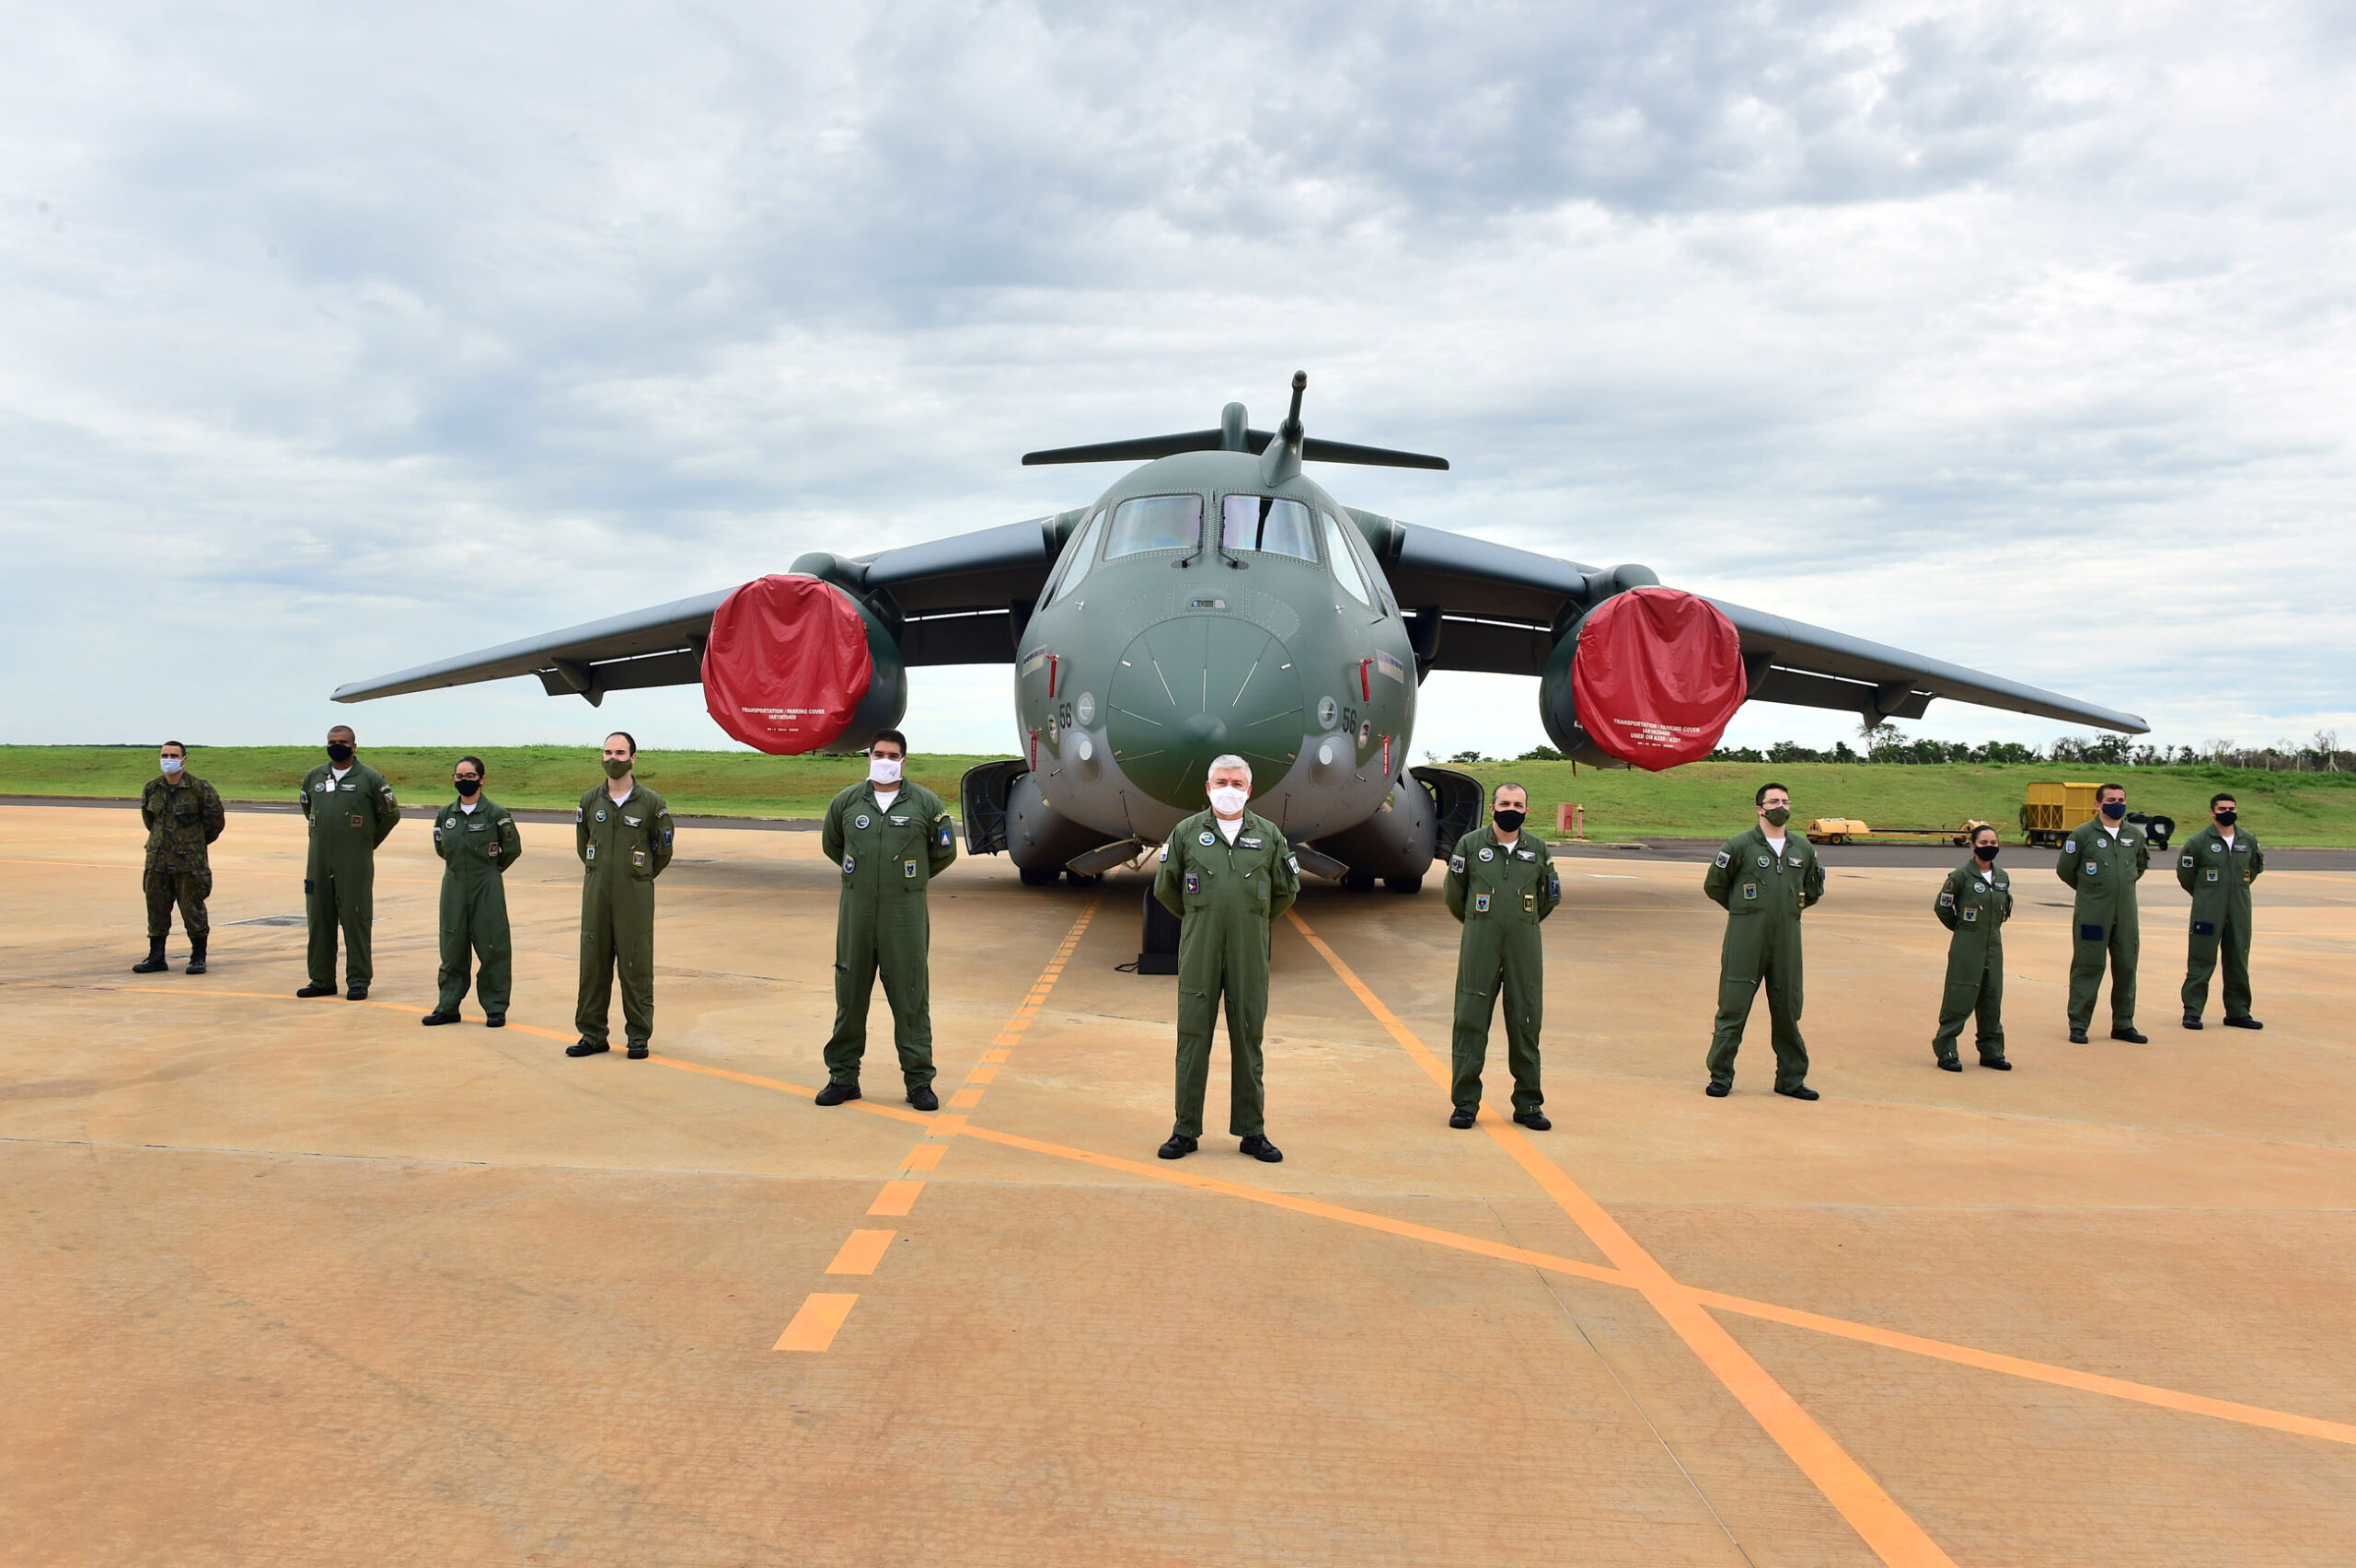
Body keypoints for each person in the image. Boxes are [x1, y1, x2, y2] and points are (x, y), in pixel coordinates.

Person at [1152, 754, 1300, 1161]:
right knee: (1192, 1037)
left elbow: (1287, 891)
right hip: (1200, 946)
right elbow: (1167, 887)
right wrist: (1202, 917)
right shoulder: (1185, 833)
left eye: (1237, 783)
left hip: (1249, 950)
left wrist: (1250, 920)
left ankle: (1253, 1132)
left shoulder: (1268, 835)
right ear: (1208, 787)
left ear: (1249, 790)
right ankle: (1185, 1130)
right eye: (1221, 782)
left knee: (1249, 1038)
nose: (1229, 789)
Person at [816, 730, 959, 1111]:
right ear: (869, 756)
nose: (884, 759)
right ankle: (843, 1077)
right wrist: (863, 876)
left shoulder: (927, 804)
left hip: (905, 915)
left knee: (911, 996)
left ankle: (919, 1082)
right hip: (856, 912)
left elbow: (944, 852)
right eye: (878, 753)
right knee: (849, 994)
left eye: (892, 755)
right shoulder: (846, 802)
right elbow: (833, 844)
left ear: (903, 760)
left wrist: (907, 882)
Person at [1441, 781, 1560, 1129]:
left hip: (1525, 945)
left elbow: (1549, 897)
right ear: (1492, 808)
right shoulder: (1470, 845)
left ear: (1526, 811)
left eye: (1518, 804)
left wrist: (1524, 922)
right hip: (1480, 943)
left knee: (1526, 1020)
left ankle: (1528, 1104)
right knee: (1470, 1019)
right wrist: (1481, 924)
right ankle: (1465, 1103)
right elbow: (1454, 895)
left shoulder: (1537, 850)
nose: (1512, 809)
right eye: (1505, 803)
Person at [1703, 781, 1825, 1100]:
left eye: (1785, 801)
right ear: (1760, 809)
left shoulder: (1803, 849)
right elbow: (1715, 885)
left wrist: (1783, 911)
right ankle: (1721, 1075)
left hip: (1787, 938)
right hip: (1746, 938)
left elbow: (1812, 891)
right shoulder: (1739, 845)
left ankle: (1791, 1078)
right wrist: (1746, 911)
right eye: (1773, 802)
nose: (1780, 806)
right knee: (1733, 1006)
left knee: (1788, 1008)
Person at [567, 732, 675, 1060]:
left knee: (636, 965)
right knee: (593, 966)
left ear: (633, 758)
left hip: (634, 898)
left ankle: (638, 1036)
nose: (612, 759)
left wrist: (637, 877)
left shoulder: (651, 803)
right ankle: (592, 1034)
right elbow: (584, 843)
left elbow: (663, 851)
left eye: (619, 753)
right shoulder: (589, 801)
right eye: (607, 752)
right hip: (596, 895)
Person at [297, 724, 398, 1000]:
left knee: (355, 919)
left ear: (354, 746)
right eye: (332, 741)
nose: (336, 745)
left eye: (342, 741)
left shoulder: (370, 778)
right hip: (319, 860)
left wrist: (366, 841)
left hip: (354, 861)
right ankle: (321, 980)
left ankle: (358, 980)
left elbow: (390, 814)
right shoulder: (314, 777)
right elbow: (309, 809)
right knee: (319, 919)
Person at [422, 755, 524, 1029]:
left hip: (486, 883)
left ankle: (495, 1007)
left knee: (493, 946)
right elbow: (442, 848)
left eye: (469, 776)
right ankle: (448, 1006)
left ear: (482, 778)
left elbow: (512, 849)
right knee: (452, 946)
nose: (464, 781)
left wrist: (490, 871)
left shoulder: (496, 814)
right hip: (453, 883)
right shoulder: (446, 815)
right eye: (459, 776)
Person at [2057, 781, 2149, 1043]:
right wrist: (2092, 890)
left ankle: (2123, 1023)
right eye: (2111, 800)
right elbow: (2066, 870)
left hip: (2126, 914)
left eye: (2121, 799)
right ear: (2098, 805)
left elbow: (2139, 867)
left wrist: (2118, 887)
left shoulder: (2134, 835)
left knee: (2127, 967)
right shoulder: (2082, 835)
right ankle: (2079, 1024)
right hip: (2093, 913)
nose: (2118, 804)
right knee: (2088, 966)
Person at [133, 741, 225, 975]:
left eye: (174, 755)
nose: (169, 759)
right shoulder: (152, 788)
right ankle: (156, 956)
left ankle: (198, 957)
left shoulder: (199, 788)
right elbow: (149, 821)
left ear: (184, 759)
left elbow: (215, 823)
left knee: (192, 908)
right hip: (157, 861)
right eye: (164, 755)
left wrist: (192, 844)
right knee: (156, 908)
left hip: (189, 862)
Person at [2177, 792, 2265, 1031]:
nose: (2228, 812)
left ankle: (2238, 1012)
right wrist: (2208, 895)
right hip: (2207, 912)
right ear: (2212, 812)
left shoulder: (2247, 840)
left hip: (2239, 910)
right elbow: (2186, 876)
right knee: (2201, 961)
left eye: (2232, 808)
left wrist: (2233, 892)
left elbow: (2253, 870)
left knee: (2238, 959)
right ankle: (2192, 1012)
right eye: (2222, 808)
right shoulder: (2198, 842)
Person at [1931, 824, 2014, 1071]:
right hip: (1967, 943)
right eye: (1984, 843)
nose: (1989, 847)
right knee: (1960, 994)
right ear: (1973, 846)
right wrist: (1961, 929)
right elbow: (1942, 907)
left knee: (1991, 996)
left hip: (1993, 944)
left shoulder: (2002, 877)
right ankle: (1946, 1049)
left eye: (1993, 843)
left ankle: (1991, 1050)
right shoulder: (1960, 876)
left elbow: (2003, 909)